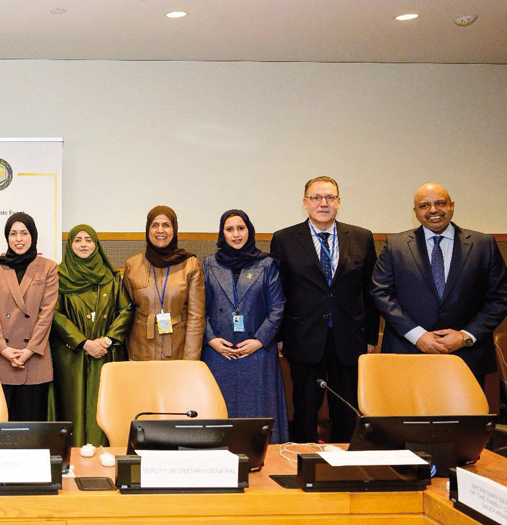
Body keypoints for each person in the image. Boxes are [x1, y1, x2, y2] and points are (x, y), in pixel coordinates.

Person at [270, 176, 379, 444]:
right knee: (305, 409)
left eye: (330, 197)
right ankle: (303, 465)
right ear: (305, 203)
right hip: (303, 337)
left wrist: (371, 337)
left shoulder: (362, 237)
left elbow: (371, 291)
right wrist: (281, 335)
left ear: (339, 202)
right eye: (316, 197)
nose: (323, 203)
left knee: (346, 410)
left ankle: (343, 467)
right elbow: (278, 292)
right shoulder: (284, 239)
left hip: (350, 338)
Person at [372, 183, 507, 384]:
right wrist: (417, 336)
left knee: (462, 416)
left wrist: (465, 336)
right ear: (415, 211)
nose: (433, 210)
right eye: (424, 205)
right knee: (409, 415)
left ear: (452, 205)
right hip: (408, 353)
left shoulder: (483, 245)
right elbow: (380, 293)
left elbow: (500, 297)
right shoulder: (395, 246)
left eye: (440, 203)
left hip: (467, 356)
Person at [202, 210, 288, 443]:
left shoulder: (267, 263)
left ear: (249, 231)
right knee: (219, 411)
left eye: (240, 228)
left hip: (257, 351)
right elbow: (198, 307)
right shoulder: (209, 264)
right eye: (229, 229)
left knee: (258, 415)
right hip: (219, 352)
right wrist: (210, 339)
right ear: (222, 233)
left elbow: (278, 307)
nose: (236, 234)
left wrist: (259, 341)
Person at [49, 224, 132, 446]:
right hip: (72, 357)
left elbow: (127, 309)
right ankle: (73, 460)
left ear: (96, 245)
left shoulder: (112, 277)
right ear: (70, 246)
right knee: (72, 408)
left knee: (103, 407)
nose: (83, 244)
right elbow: (54, 314)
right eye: (77, 240)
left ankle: (105, 460)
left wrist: (106, 340)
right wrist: (83, 343)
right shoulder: (58, 276)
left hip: (106, 353)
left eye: (88, 239)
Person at [0, 212, 58, 421]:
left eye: (24, 233)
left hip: (34, 358)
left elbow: (46, 314)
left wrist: (29, 350)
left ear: (33, 235)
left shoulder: (47, 267)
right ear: (7, 237)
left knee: (31, 431)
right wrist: (4, 349)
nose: (18, 239)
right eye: (13, 233)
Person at [123, 206, 204, 361]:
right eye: (155, 225)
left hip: (177, 352)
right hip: (140, 352)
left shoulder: (190, 265)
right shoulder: (132, 265)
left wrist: (190, 361)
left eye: (166, 225)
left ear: (174, 229)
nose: (160, 230)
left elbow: (196, 317)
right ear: (148, 230)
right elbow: (127, 312)